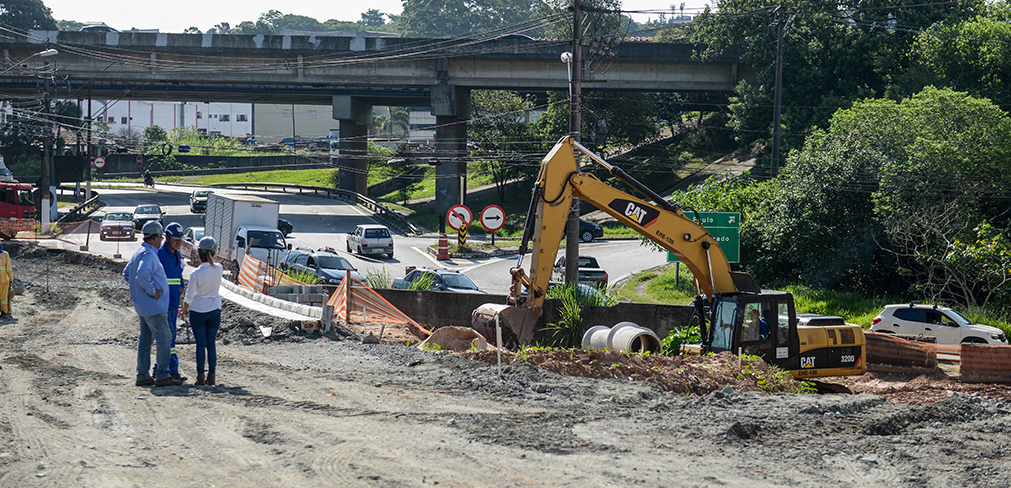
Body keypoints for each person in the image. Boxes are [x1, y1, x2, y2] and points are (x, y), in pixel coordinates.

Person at [124, 221, 182, 387]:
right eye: (161, 237)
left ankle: (142, 375)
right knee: (165, 338)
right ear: (155, 237)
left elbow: (127, 273)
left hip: (144, 306)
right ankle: (163, 374)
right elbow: (142, 274)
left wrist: (138, 291)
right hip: (154, 306)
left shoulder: (139, 252)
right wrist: (151, 291)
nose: (161, 240)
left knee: (145, 340)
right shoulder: (149, 254)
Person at [183, 236, 223, 386]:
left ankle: (200, 376)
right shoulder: (219, 269)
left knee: (200, 345)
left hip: (198, 311)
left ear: (199, 253)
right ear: (214, 252)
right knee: (211, 343)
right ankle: (211, 376)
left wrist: (185, 310)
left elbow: (190, 295)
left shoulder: (196, 274)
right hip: (214, 309)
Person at [154, 222, 187, 382]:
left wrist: (181, 284)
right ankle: (167, 370)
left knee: (170, 338)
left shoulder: (177, 254)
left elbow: (178, 273)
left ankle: (164, 369)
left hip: (174, 303)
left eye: (180, 240)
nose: (178, 243)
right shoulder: (161, 254)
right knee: (167, 339)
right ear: (167, 239)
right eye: (175, 240)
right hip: (164, 303)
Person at [0, 242, 12, 319]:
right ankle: (4, 311)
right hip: (3, 279)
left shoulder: (4, 254)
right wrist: (11, 279)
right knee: (4, 297)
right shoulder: (4, 255)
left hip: (3, 279)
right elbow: (8, 268)